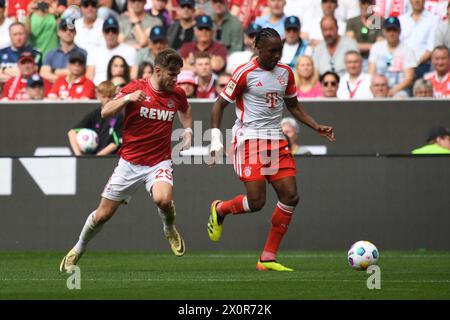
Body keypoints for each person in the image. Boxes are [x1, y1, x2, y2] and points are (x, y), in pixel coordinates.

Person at [207, 28, 335, 271]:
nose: (277, 55)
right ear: (258, 48)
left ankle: (267, 257)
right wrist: (215, 140)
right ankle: (220, 208)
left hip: (276, 140)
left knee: (290, 196)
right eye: (272, 51)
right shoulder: (245, 72)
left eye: (280, 50)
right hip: (249, 140)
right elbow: (218, 105)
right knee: (256, 202)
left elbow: (293, 105)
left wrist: (316, 126)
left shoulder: (285, 73)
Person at [60, 48, 193, 271]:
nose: (175, 79)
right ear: (158, 70)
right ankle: (78, 247)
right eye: (172, 74)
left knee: (163, 199)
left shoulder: (176, 93)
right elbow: (105, 112)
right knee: (102, 215)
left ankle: (169, 229)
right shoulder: (136, 88)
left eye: (178, 74)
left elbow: (186, 109)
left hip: (158, 161)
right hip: (130, 163)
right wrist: (127, 99)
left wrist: (188, 130)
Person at [67, 80, 124, 155]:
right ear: (98, 96)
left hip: (110, 158)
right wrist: (78, 156)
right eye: (104, 96)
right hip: (93, 156)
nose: (107, 100)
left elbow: (115, 143)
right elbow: (72, 132)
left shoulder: (119, 115)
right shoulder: (95, 114)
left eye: (110, 96)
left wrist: (97, 157)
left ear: (115, 96)